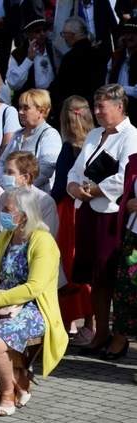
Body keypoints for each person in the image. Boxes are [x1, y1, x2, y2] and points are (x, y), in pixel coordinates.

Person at [0, 187, 67, 416]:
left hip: (31, 307)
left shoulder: (43, 241)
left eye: (6, 210)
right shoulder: (3, 238)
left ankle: (7, 391)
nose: (1, 214)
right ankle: (18, 377)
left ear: (24, 216)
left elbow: (33, 287)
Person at [67, 84, 137, 356]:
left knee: (114, 279)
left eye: (101, 107)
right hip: (87, 212)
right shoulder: (95, 133)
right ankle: (101, 333)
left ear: (119, 107)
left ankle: (120, 337)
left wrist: (94, 190)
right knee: (94, 279)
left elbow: (125, 176)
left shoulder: (131, 136)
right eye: (95, 107)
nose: (95, 112)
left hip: (111, 215)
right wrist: (74, 188)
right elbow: (76, 169)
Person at [51, 96, 96, 345]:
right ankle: (86, 322)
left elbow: (59, 187)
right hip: (87, 208)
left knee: (67, 264)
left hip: (67, 210)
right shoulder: (94, 141)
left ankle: (75, 321)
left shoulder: (68, 147)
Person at [0, 89, 62, 192]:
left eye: (26, 108)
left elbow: (46, 169)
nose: (20, 112)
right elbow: (1, 163)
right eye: (20, 107)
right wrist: (4, 184)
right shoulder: (18, 134)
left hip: (36, 198)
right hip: (11, 194)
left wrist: (21, 187)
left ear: (41, 111)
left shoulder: (50, 135)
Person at [50, 17, 107, 118]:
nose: (64, 38)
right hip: (95, 110)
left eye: (64, 34)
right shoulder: (99, 54)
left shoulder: (70, 57)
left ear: (71, 35)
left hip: (75, 112)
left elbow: (60, 87)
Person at [112, 150, 137, 359]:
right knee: (126, 294)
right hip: (134, 237)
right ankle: (120, 339)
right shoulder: (135, 162)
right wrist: (128, 204)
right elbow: (126, 196)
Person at [0, 151, 59, 239]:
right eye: (5, 171)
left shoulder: (44, 201)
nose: (5, 176)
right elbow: (1, 231)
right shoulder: (3, 197)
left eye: (10, 172)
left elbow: (48, 237)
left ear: (25, 178)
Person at [7, 18, 55, 108]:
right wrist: (28, 59)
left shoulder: (53, 49)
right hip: (30, 103)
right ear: (29, 34)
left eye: (44, 29)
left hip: (51, 100)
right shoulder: (19, 53)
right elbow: (13, 84)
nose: (42, 33)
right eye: (37, 31)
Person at [107, 19, 137, 123]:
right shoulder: (118, 55)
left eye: (135, 33)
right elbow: (108, 77)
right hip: (116, 107)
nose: (130, 37)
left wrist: (119, 89)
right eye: (128, 32)